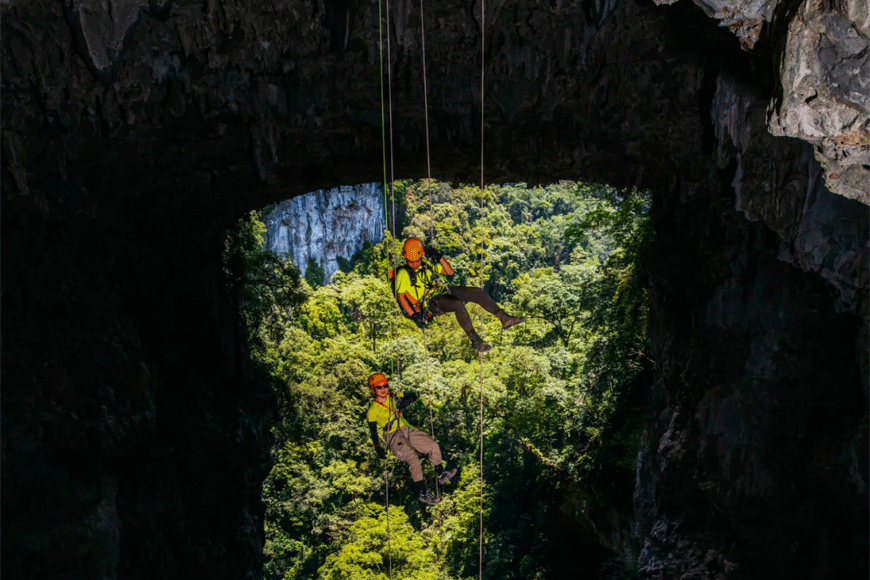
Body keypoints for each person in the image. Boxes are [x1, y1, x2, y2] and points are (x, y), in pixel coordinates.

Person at [393, 237, 525, 352]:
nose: (414, 263)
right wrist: (414, 316)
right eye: (410, 261)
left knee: (477, 292)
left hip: (444, 290)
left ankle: (504, 318)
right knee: (457, 304)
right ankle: (475, 340)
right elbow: (401, 297)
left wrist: (439, 258)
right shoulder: (403, 274)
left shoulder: (428, 265)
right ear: (406, 258)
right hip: (431, 302)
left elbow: (449, 272)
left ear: (421, 256)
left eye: (416, 260)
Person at [366, 372, 457, 506]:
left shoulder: (393, 396)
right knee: (412, 458)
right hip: (393, 436)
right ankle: (422, 493)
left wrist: (405, 402)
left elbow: (413, 394)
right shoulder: (372, 411)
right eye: (379, 387)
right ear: (374, 390)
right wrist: (378, 449)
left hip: (406, 428)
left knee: (432, 445)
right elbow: (373, 433)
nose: (383, 389)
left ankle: (441, 473)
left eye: (385, 385)